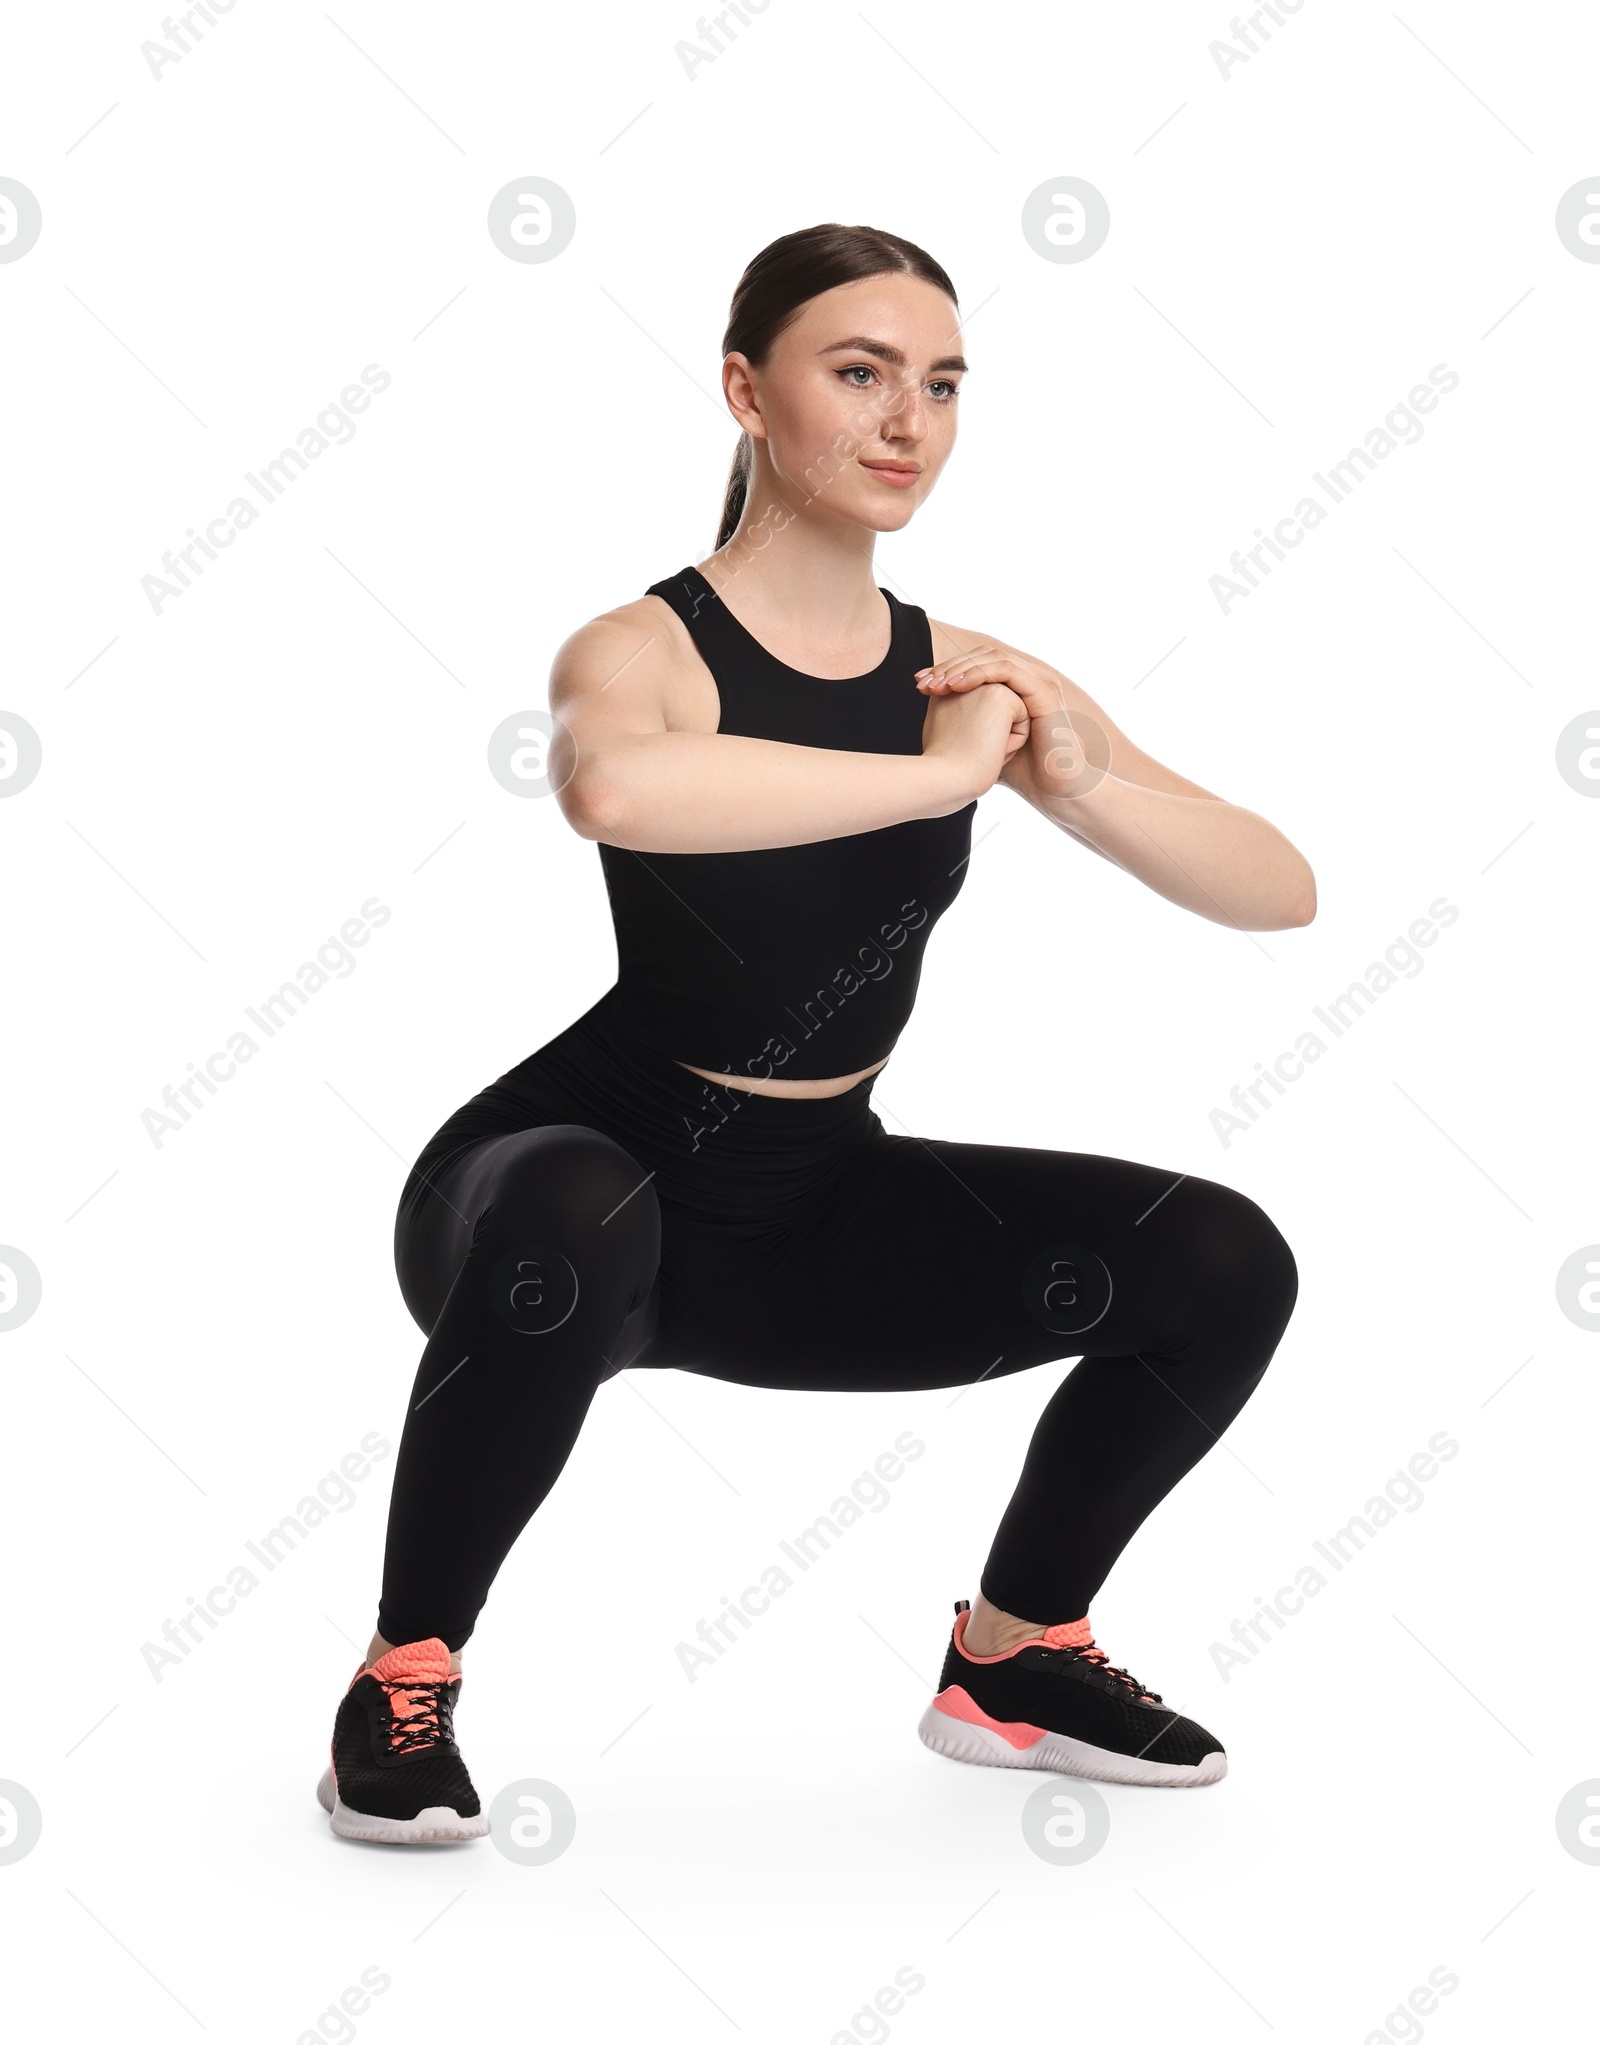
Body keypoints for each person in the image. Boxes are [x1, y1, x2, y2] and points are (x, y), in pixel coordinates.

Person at [316, 222, 1312, 1844]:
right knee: (581, 1205)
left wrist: (1082, 777)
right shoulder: (644, 650)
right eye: (858, 373)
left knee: (1221, 1258)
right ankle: (402, 1677)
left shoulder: (967, 669)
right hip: (550, 1200)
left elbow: (1283, 889)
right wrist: (938, 778)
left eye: (939, 382)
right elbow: (614, 788)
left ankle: (1016, 1657)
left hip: (800, 1213)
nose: (905, 419)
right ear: (745, 390)